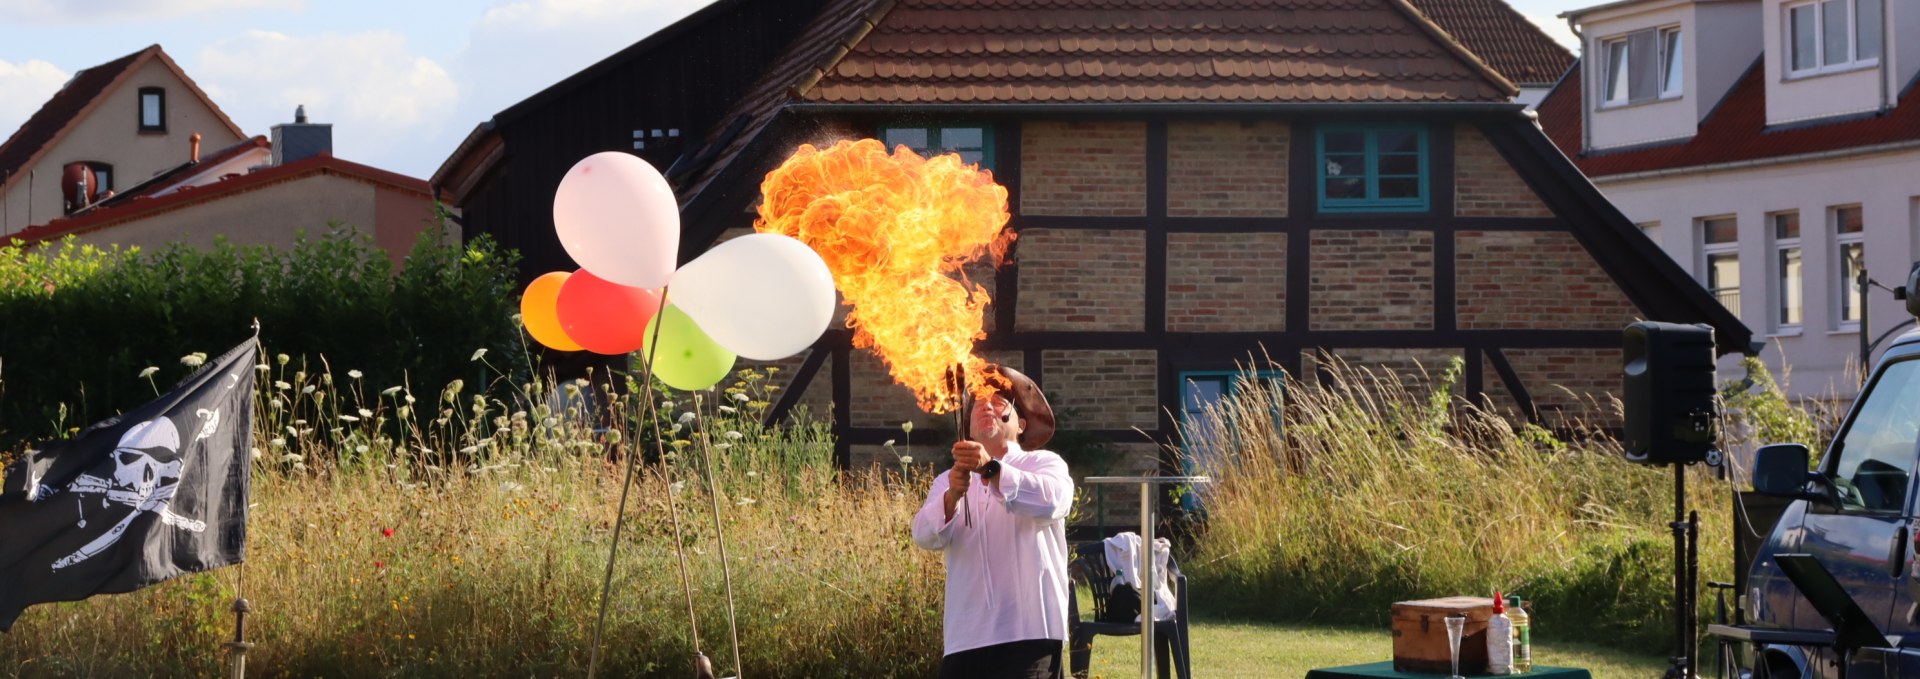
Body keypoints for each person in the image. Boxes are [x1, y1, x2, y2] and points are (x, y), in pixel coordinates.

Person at [911, 365, 1075, 679]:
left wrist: (991, 470)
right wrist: (951, 497)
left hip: (1029, 631)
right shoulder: (947, 480)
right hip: (965, 637)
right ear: (968, 427)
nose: (986, 404)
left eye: (999, 402)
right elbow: (924, 535)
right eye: (979, 403)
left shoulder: (1042, 463)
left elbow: (1055, 501)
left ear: (1021, 424)